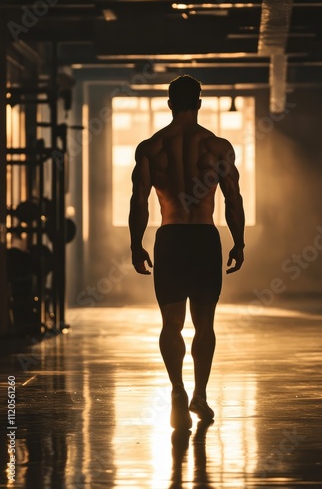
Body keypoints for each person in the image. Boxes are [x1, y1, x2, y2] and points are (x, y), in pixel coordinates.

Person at [129, 75, 245, 429]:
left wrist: (137, 245)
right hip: (204, 239)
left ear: (169, 103)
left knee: (171, 324)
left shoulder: (151, 147)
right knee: (205, 324)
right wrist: (238, 242)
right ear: (199, 103)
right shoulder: (218, 148)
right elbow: (233, 199)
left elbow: (139, 202)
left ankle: (178, 391)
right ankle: (200, 395)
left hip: (171, 239)